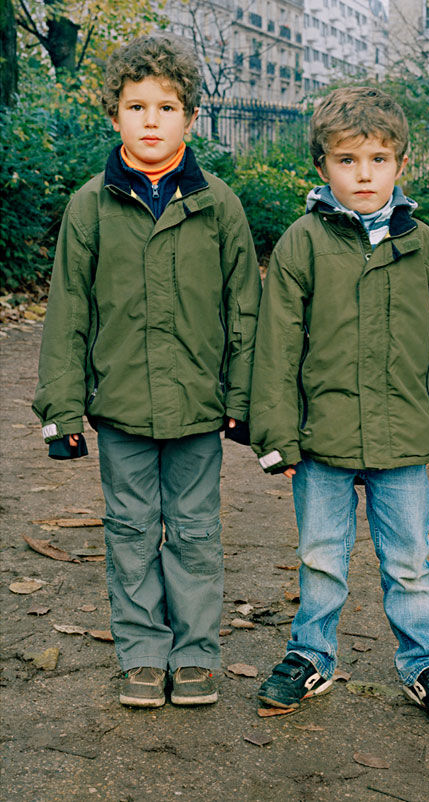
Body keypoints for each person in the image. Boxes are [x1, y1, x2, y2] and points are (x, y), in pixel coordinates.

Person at [33, 35, 260, 708]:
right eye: (136, 107)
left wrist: (243, 397)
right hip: (122, 405)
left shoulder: (218, 205)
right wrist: (61, 409)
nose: (151, 120)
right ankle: (142, 653)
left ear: (191, 117)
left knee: (194, 532)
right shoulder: (90, 206)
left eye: (167, 107)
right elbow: (68, 313)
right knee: (130, 532)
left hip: (197, 405)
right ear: (115, 116)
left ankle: (193, 655)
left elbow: (245, 309)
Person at [250, 86, 429, 726]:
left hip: (403, 440)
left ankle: (426, 663)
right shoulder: (302, 242)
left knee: (409, 563)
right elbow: (276, 349)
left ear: (400, 164)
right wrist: (277, 435)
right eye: (347, 160)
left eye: (378, 159)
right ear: (322, 166)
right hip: (321, 440)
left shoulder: (425, 246)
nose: (363, 174)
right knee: (321, 558)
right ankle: (310, 655)